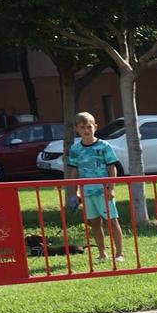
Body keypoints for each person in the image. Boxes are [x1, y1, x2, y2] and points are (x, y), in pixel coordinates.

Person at [63, 112, 123, 265]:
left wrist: (111, 188)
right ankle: (102, 253)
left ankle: (119, 253)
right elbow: (74, 171)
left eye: (89, 126)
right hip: (87, 192)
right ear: (77, 129)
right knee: (95, 224)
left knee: (112, 222)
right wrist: (75, 192)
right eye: (82, 127)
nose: (86, 130)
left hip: (104, 191)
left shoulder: (104, 146)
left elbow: (112, 168)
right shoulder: (76, 149)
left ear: (95, 127)